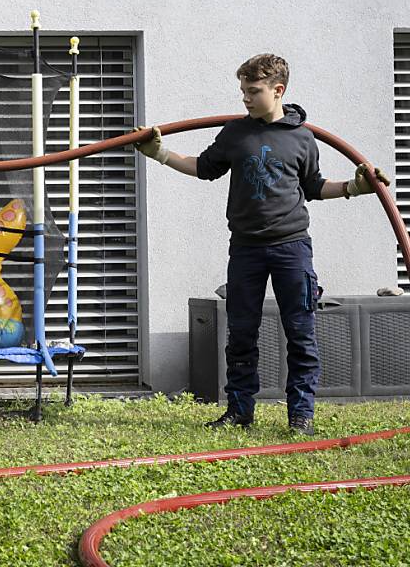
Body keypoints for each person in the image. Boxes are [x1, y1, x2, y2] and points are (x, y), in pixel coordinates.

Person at [134, 53, 391, 436]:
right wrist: (160, 154)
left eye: (253, 91)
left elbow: (315, 188)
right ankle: (239, 411)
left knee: (300, 335)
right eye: (243, 91)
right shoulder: (235, 134)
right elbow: (203, 168)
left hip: (292, 249)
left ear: (278, 90)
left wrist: (356, 187)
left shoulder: (304, 138)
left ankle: (300, 416)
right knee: (240, 335)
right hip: (246, 250)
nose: (246, 99)